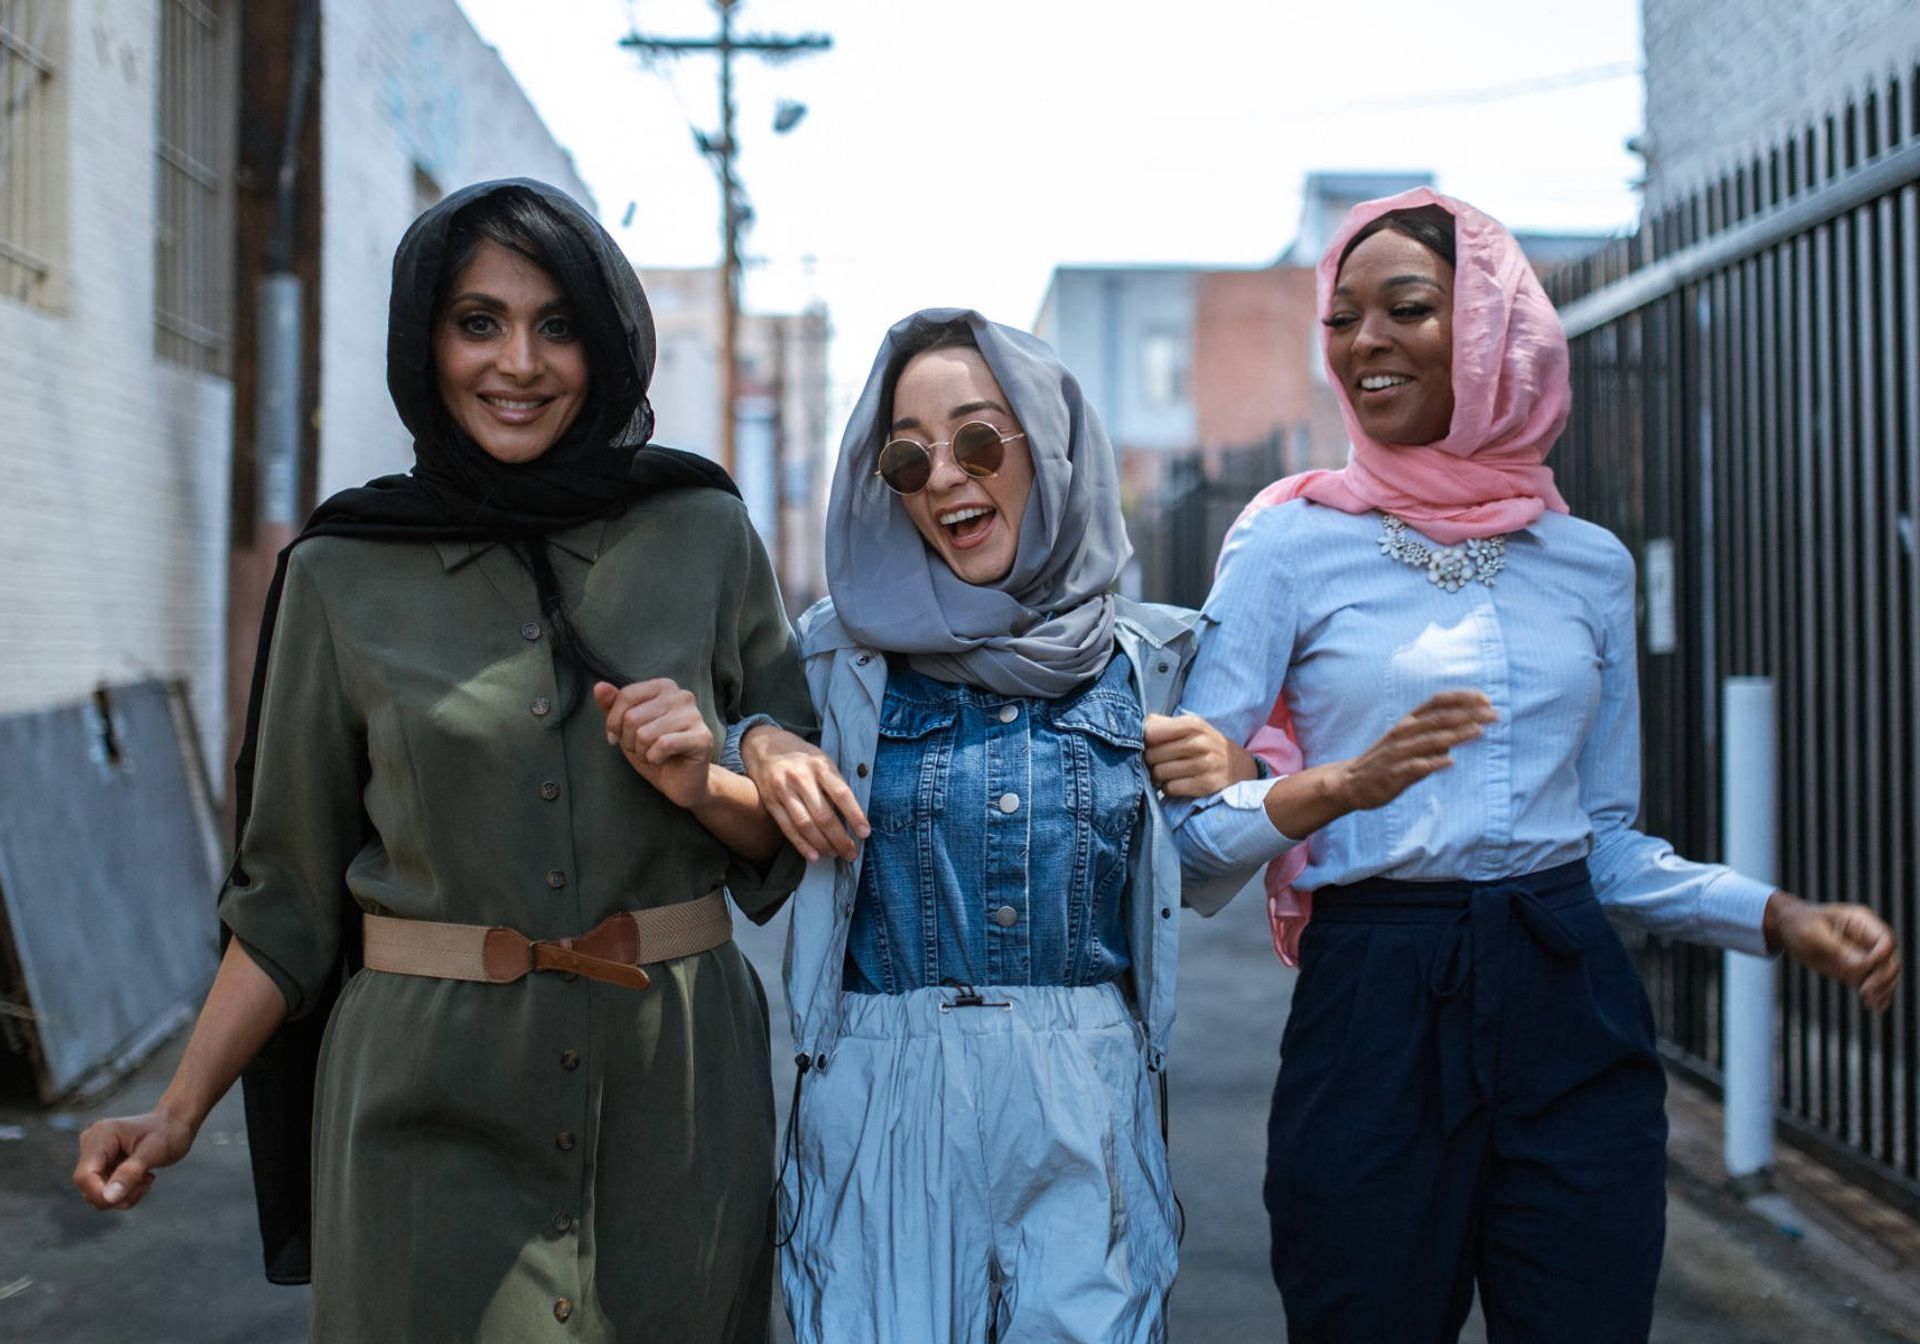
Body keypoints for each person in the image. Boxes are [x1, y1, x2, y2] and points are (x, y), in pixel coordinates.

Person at [72, 179, 814, 1343]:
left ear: (607, 341)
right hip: (426, 1108)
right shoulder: (341, 569)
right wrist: (173, 1113)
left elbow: (781, 828)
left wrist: (706, 771)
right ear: (425, 339)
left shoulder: (703, 531)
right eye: (478, 322)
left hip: (676, 1106)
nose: (518, 362)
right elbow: (285, 899)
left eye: (557, 323)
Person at [1170, 186, 1902, 1343]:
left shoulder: (1588, 563)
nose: (1365, 342)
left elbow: (1605, 844)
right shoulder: (1287, 539)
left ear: (1489, 333)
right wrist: (1334, 789)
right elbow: (1193, 829)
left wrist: (1777, 914)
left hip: (1570, 998)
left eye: (1405, 308)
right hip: (1375, 1007)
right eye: (1342, 318)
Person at [725, 309, 1456, 1343]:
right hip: (880, 1089)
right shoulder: (834, 657)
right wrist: (755, 740)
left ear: (1051, 448)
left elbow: (1199, 852)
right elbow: (724, 754)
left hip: (1087, 1092)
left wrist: (1263, 770)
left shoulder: (1148, 660)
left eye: (980, 441)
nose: (944, 478)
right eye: (907, 456)